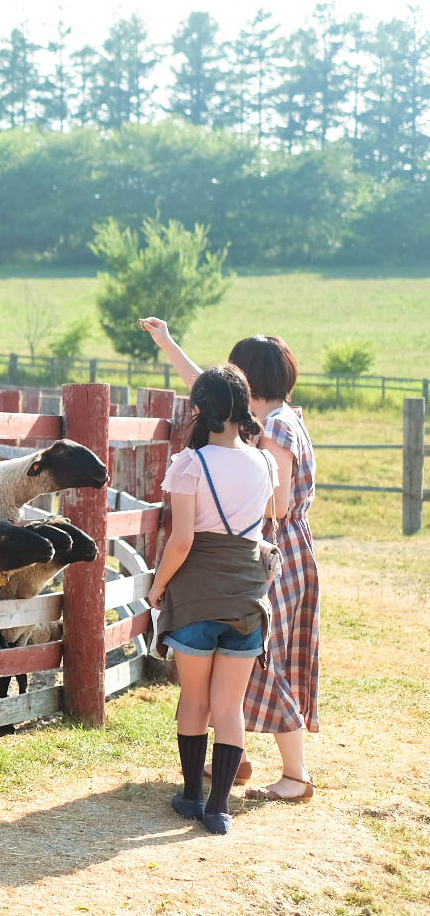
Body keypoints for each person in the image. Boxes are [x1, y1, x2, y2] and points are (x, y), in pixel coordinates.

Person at [142, 319, 319, 803]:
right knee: (242, 659)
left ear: (249, 377)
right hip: (265, 548)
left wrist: (222, 488)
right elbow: (211, 392)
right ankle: (233, 758)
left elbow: (277, 505)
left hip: (266, 550)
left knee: (267, 661)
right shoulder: (280, 417)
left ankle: (295, 773)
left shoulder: (277, 427)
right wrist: (168, 345)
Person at [148, 364, 280, 834]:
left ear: (200, 408)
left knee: (194, 699)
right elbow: (268, 520)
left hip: (197, 594)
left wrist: (158, 585)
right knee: (229, 706)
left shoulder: (191, 464)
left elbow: (181, 541)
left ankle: (190, 795)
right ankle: (219, 808)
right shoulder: (265, 461)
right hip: (247, 594)